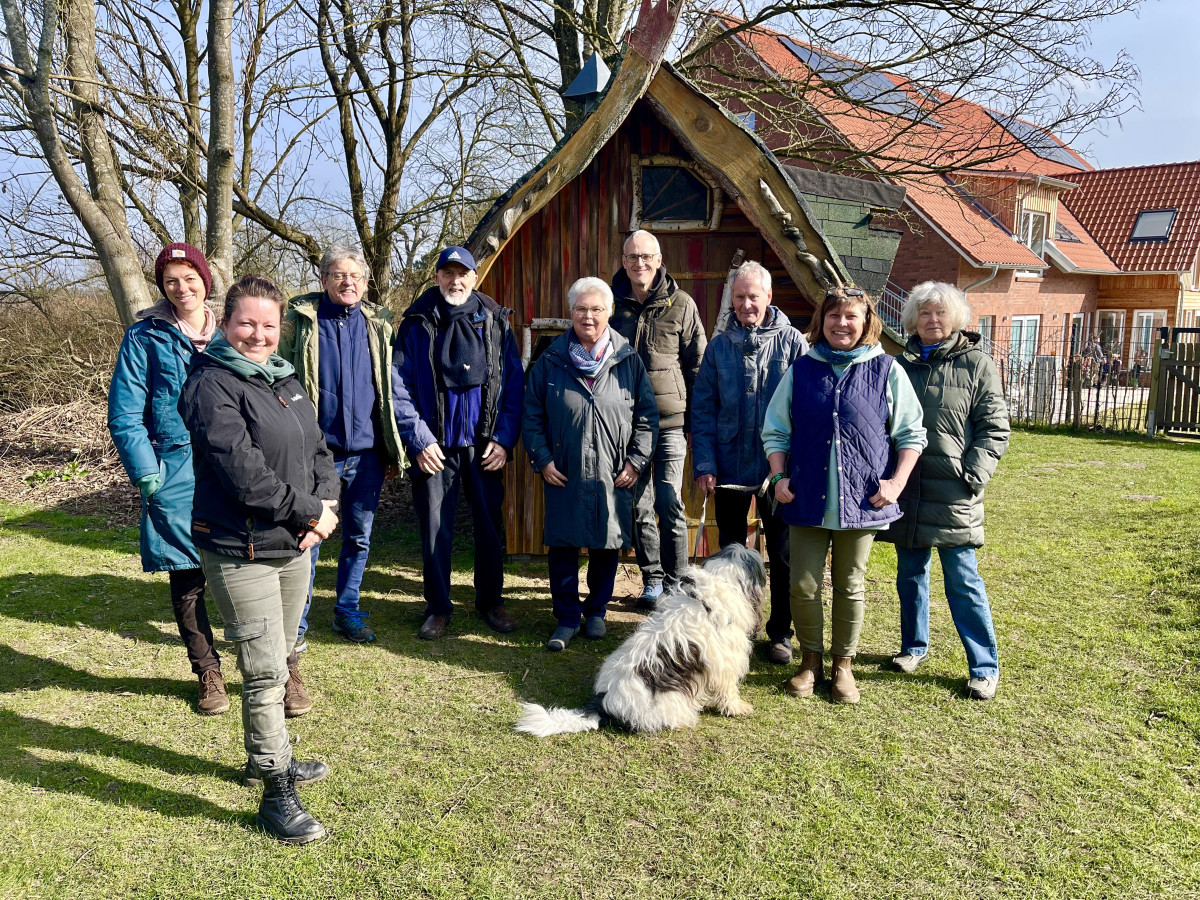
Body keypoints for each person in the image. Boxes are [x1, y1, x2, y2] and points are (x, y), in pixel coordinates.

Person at [179, 275, 339, 844]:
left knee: (284, 651)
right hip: (240, 546)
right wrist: (308, 513)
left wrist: (326, 504)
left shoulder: (285, 380)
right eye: (247, 323)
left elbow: (319, 449)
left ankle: (268, 756)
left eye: (269, 325)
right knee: (265, 669)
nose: (258, 334)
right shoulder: (210, 384)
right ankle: (275, 790)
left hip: (293, 543)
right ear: (224, 324)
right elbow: (242, 473)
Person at [762, 286, 926, 704]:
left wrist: (895, 484)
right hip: (805, 496)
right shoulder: (802, 370)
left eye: (852, 316)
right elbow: (777, 430)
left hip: (862, 500)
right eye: (834, 316)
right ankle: (809, 663)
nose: (842, 324)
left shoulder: (886, 369)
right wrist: (779, 477)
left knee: (850, 584)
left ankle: (843, 667)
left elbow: (910, 434)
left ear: (866, 322)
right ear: (822, 321)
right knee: (803, 584)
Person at [108, 243, 228, 716]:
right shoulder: (144, 336)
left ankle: (279, 668)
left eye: (189, 277)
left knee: (251, 568)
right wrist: (147, 473)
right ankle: (208, 673)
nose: (182, 288)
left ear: (205, 280)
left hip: (229, 464)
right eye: (171, 280)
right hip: (173, 466)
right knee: (187, 573)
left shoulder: (233, 330)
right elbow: (125, 414)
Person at [877, 281, 1009, 701]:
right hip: (908, 488)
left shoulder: (977, 364)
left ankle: (984, 666)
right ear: (912, 318)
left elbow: (995, 428)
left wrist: (973, 474)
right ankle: (913, 647)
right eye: (925, 313)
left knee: (963, 580)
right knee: (910, 575)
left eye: (940, 313)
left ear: (956, 318)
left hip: (954, 491)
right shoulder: (897, 364)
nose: (933, 320)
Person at [392, 246, 524, 640]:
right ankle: (437, 607)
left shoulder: (496, 321)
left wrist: (503, 439)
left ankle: (490, 602)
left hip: (484, 446)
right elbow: (398, 386)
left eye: (462, 273)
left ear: (474, 277)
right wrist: (418, 440)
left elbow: (513, 385)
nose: (456, 280)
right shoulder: (416, 322)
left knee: (488, 527)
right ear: (437, 278)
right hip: (434, 447)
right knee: (435, 528)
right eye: (448, 273)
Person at [280, 245, 405, 665]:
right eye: (338, 274)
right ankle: (296, 625)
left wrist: (392, 446)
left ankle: (347, 612)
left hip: (367, 454)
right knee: (311, 537)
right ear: (323, 280)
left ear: (366, 283)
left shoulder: (379, 325)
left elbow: (389, 389)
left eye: (355, 275)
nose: (347, 282)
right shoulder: (302, 323)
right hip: (320, 454)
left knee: (358, 537)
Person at [522, 278, 659, 651]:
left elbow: (647, 416)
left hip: (613, 471)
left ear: (609, 313)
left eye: (597, 309)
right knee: (563, 545)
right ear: (571, 313)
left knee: (607, 543)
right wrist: (542, 459)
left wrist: (635, 462)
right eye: (581, 309)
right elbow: (531, 414)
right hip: (562, 469)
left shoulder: (628, 359)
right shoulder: (550, 358)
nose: (589, 316)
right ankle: (566, 617)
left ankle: (596, 612)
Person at [692, 261, 807, 665]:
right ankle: (735, 627)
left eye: (753, 297)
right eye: (739, 298)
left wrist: (796, 468)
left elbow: (807, 407)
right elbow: (702, 409)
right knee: (731, 552)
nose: (746, 304)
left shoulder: (793, 343)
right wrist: (705, 463)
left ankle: (780, 633)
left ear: (768, 297)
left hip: (780, 470)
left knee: (783, 553)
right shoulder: (719, 347)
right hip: (727, 468)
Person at [610, 229, 706, 609]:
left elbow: (697, 364)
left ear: (659, 259)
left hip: (669, 423)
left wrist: (696, 424)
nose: (640, 263)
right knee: (638, 502)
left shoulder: (681, 304)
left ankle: (677, 581)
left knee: (668, 498)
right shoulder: (611, 304)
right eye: (632, 257)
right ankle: (652, 579)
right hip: (627, 423)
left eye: (646, 256)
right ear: (624, 261)